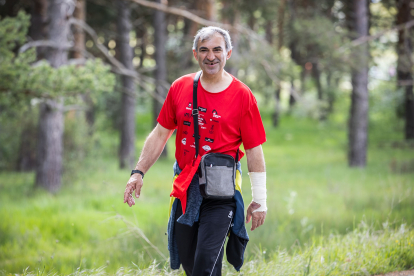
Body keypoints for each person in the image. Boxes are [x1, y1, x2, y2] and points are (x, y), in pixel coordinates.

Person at [123, 26, 267, 276]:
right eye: (204, 50)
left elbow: (254, 149)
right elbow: (160, 134)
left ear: (228, 53)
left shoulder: (242, 95)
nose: (211, 56)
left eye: (217, 49)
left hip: (222, 191)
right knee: (191, 265)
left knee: (205, 265)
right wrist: (138, 172)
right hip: (185, 187)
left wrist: (260, 199)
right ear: (195, 54)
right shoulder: (180, 87)